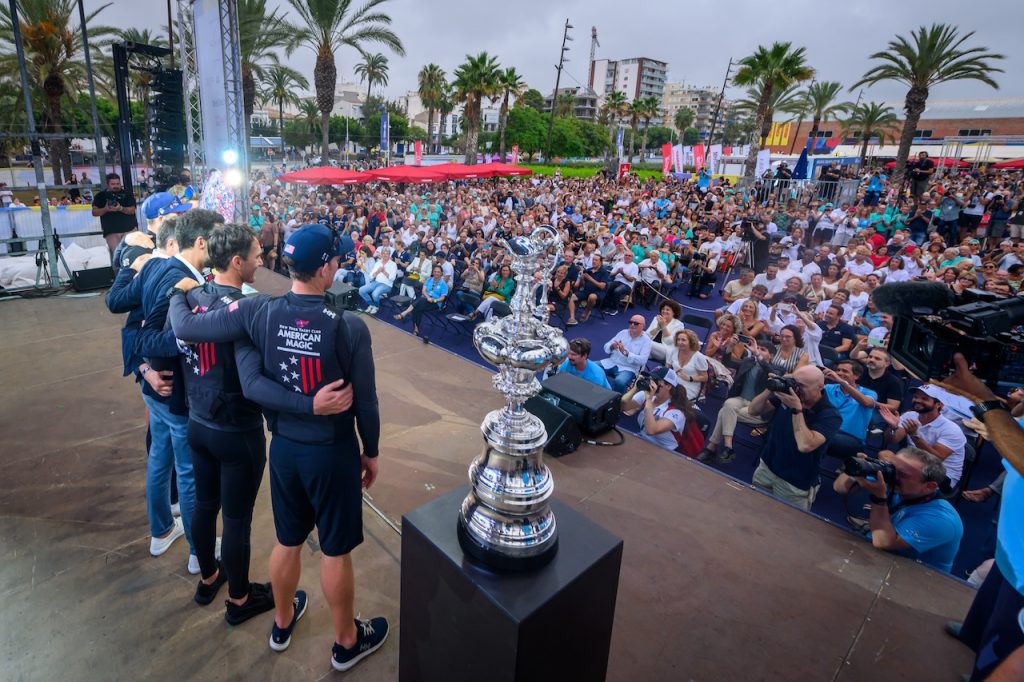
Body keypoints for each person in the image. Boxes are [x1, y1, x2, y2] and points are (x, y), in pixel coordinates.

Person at [167, 224, 388, 671]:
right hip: (331, 453)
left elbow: (196, 334)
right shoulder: (349, 327)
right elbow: (366, 401)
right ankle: (346, 641)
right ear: (326, 268)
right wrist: (372, 450)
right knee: (334, 550)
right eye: (336, 260)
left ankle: (282, 622)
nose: (339, 265)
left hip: (284, 450)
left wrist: (179, 290)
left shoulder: (257, 311)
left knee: (288, 540)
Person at [180, 223, 349, 623]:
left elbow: (179, 330)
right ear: (237, 262)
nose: (262, 260)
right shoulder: (245, 310)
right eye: (256, 255)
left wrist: (175, 294)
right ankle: (239, 601)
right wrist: (310, 404)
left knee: (205, 505)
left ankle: (208, 578)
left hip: (197, 422)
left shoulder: (192, 296)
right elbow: (253, 384)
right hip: (235, 431)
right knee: (236, 519)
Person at [134, 209, 225, 574]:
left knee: (160, 458)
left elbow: (131, 319)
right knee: (189, 474)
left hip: (154, 390)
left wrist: (144, 369)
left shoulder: (156, 265)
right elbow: (153, 334)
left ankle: (161, 532)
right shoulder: (177, 276)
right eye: (217, 238)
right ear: (202, 242)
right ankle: (197, 552)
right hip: (171, 391)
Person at [937, 354, 1024, 681]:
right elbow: (1015, 430)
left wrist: (986, 400)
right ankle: (974, 634)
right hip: (1012, 540)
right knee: (991, 598)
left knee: (1006, 637)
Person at [833, 447, 963, 573]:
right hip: (882, 555)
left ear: (929, 486)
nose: (893, 476)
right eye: (892, 468)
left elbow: (882, 541)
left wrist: (878, 499)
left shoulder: (941, 520)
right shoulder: (902, 485)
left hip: (916, 577)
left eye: (902, 475)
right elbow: (840, 488)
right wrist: (858, 469)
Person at [746, 365, 843, 510]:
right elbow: (753, 411)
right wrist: (770, 388)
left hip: (795, 482)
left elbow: (805, 445)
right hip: (767, 467)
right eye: (794, 383)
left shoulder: (830, 415)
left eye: (802, 386)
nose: (796, 389)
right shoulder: (788, 397)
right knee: (752, 510)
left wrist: (797, 409)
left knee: (786, 526)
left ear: (820, 387)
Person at [698, 339, 774, 463]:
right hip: (740, 400)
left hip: (758, 408)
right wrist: (728, 348)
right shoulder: (748, 362)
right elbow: (728, 362)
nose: (758, 350)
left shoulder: (776, 369)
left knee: (725, 411)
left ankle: (711, 448)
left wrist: (758, 355)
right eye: (758, 348)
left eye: (762, 350)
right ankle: (728, 447)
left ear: (771, 356)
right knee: (728, 405)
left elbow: (771, 372)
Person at [878, 384, 967, 487]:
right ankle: (893, 493)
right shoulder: (910, 415)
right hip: (913, 463)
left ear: (939, 405)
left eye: (925, 398)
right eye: (916, 397)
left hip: (940, 473)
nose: (918, 400)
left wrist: (915, 436)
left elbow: (936, 459)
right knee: (885, 455)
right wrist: (893, 428)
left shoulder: (951, 429)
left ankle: (892, 492)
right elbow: (892, 440)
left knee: (898, 471)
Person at [620, 367, 693, 452]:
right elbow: (623, 406)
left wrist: (649, 400)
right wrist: (635, 388)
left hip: (665, 452)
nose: (652, 384)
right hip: (643, 442)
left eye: (655, 381)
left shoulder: (676, 412)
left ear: (668, 386)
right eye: (651, 380)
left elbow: (651, 430)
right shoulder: (648, 395)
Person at [821, 360, 877, 460]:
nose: (839, 373)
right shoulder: (829, 388)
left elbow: (866, 402)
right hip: (828, 430)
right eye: (838, 370)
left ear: (856, 376)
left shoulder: (868, 393)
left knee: (821, 437)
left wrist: (842, 382)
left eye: (845, 371)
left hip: (852, 438)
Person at [599, 314, 652, 393]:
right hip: (611, 362)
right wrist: (612, 346)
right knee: (591, 366)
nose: (632, 325)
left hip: (628, 368)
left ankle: (616, 400)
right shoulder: (623, 332)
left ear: (643, 326)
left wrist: (626, 353)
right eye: (630, 322)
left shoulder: (647, 341)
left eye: (636, 323)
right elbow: (606, 346)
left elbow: (643, 360)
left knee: (620, 382)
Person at [393, 264, 448, 337]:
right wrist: (428, 297)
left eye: (438, 272)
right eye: (435, 271)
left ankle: (404, 314)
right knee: (418, 306)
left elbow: (443, 297)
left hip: (435, 303)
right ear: (433, 272)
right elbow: (423, 291)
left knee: (418, 302)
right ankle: (416, 329)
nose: (436, 273)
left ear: (441, 273)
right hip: (425, 299)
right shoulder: (429, 280)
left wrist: (435, 300)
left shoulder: (443, 284)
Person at [92, 172, 139, 255]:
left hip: (129, 230)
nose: (116, 186)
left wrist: (120, 208)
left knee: (133, 255)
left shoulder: (127, 194)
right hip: (112, 232)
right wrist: (105, 209)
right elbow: (94, 212)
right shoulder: (100, 196)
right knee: (118, 256)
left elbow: (132, 210)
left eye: (118, 183)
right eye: (113, 184)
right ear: (107, 184)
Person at [667, 329, 709, 401]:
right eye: (678, 340)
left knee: (671, 398)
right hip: (674, 382)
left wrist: (690, 378)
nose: (680, 342)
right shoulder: (674, 351)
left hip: (690, 386)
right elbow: (668, 369)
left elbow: (705, 377)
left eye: (683, 340)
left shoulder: (699, 357)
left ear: (691, 342)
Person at [357, 246, 397, 313]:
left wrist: (383, 271)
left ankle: (376, 306)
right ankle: (371, 304)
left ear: (389, 255)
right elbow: (371, 276)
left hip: (387, 284)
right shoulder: (378, 263)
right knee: (361, 290)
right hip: (376, 282)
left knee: (375, 294)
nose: (385, 255)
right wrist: (378, 271)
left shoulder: (393, 264)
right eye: (383, 253)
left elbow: (392, 279)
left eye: (387, 253)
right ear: (381, 254)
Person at [644, 300, 685, 364]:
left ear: (674, 312)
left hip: (666, 351)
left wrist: (663, 326)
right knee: (638, 353)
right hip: (651, 349)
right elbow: (647, 335)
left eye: (667, 310)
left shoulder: (679, 325)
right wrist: (657, 328)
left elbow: (669, 342)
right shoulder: (656, 319)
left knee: (645, 342)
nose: (664, 311)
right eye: (663, 309)